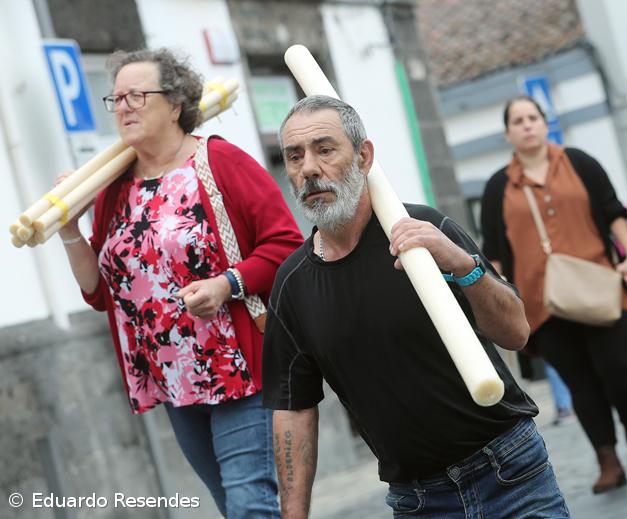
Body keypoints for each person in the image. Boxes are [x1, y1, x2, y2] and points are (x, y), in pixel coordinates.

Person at [262, 95, 571, 519]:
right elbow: (294, 408)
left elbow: (516, 333)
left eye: (325, 149)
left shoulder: (425, 231)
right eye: (295, 156)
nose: (309, 168)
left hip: (509, 470)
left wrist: (463, 265)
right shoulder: (292, 285)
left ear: (364, 156)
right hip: (418, 501)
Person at [56, 48, 303, 517]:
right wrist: (69, 228)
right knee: (233, 506)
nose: (123, 107)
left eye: (136, 95)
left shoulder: (220, 162)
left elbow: (286, 243)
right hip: (171, 381)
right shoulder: (113, 190)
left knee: (249, 504)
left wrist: (226, 285)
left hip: (239, 372)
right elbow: (101, 294)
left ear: (175, 104)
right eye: (116, 98)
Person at [480, 96, 627, 494]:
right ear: (508, 133)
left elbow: (614, 213)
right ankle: (607, 459)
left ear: (545, 123)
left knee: (621, 370)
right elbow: (493, 250)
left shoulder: (579, 162)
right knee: (581, 383)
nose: (527, 125)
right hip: (543, 305)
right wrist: (500, 295)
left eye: (533, 117)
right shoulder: (497, 187)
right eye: (518, 121)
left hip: (601, 289)